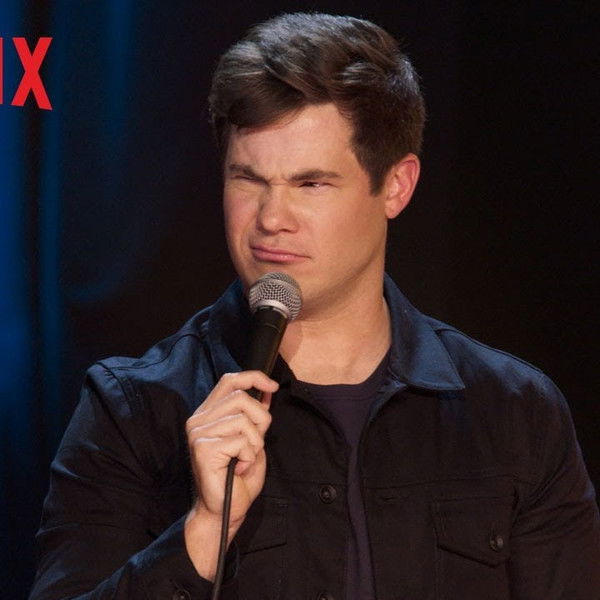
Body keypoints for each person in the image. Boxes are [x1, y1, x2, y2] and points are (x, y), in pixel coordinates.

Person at [30, 12, 600, 600]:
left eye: (311, 184)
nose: (271, 219)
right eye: (249, 179)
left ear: (396, 186)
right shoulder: (133, 410)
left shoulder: (514, 412)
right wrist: (202, 532)